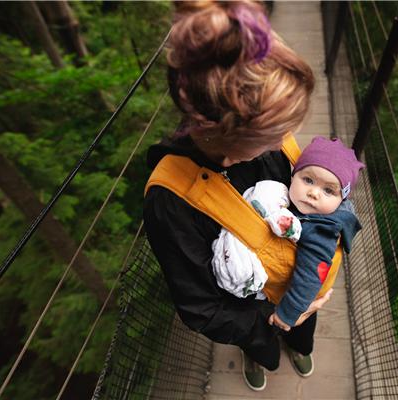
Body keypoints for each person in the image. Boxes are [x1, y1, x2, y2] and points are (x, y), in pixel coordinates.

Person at [143, 0, 335, 392]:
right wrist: (275, 317)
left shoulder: (270, 144)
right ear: (231, 144)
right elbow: (201, 308)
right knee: (262, 345)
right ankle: (260, 355)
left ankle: (299, 346)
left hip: (298, 280)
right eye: (272, 135)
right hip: (251, 313)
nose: (284, 140)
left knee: (303, 332)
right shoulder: (170, 201)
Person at [211, 137, 364, 335]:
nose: (313, 193)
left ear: (340, 200)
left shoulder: (321, 231)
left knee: (299, 334)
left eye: (328, 190)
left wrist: (288, 314)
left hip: (298, 299)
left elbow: (310, 275)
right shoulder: (297, 204)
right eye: (308, 180)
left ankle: (301, 350)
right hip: (286, 288)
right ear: (293, 176)